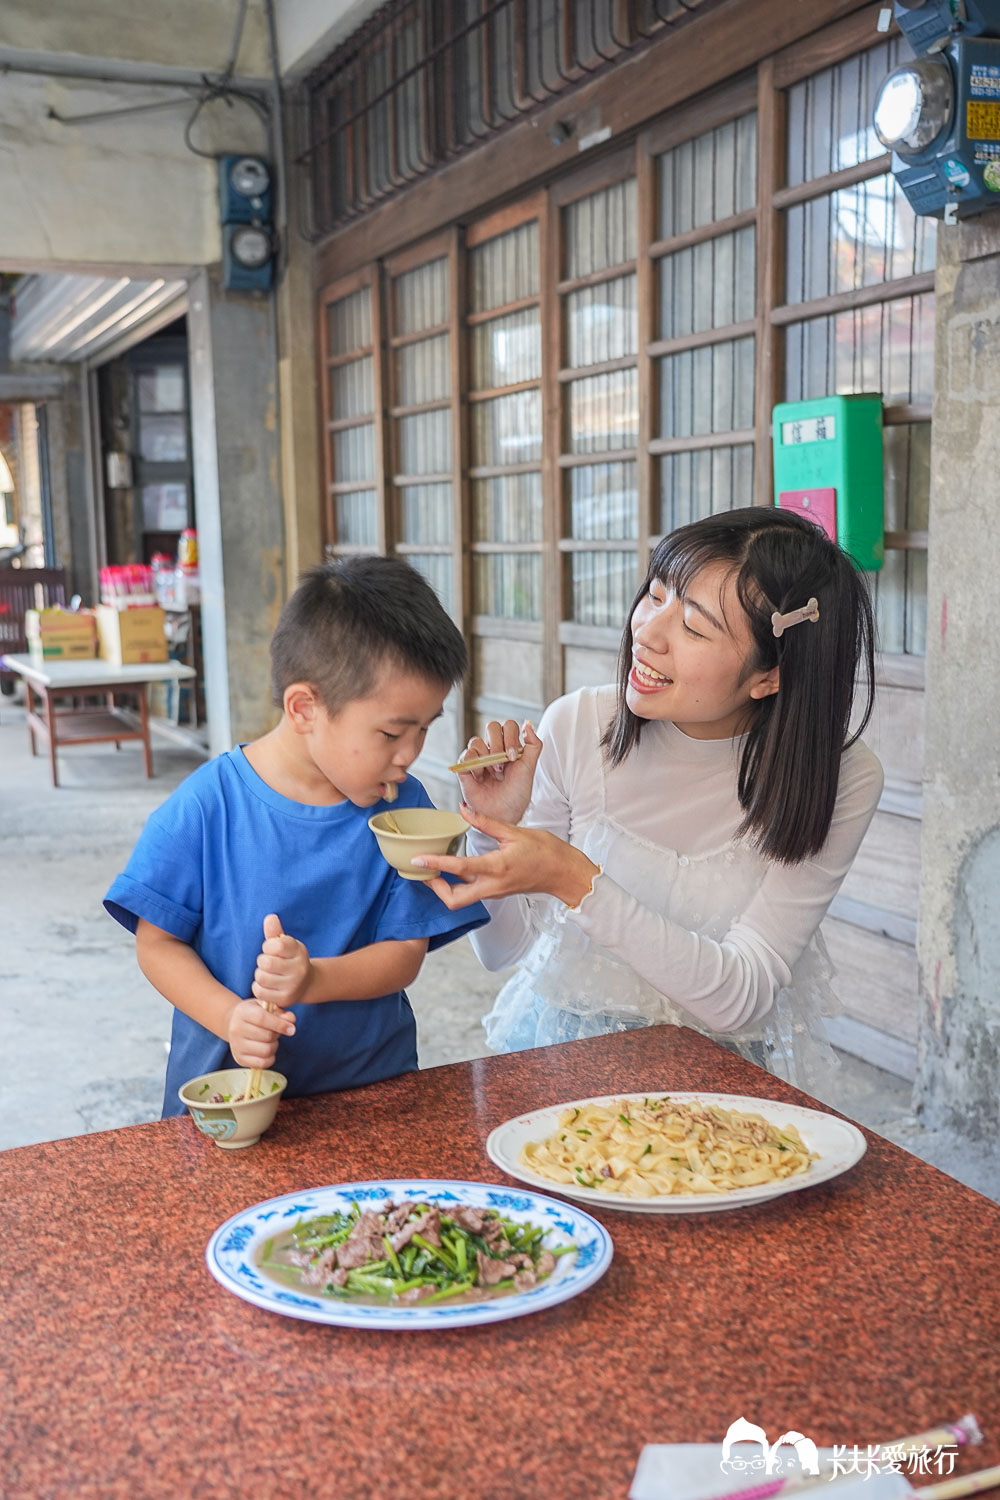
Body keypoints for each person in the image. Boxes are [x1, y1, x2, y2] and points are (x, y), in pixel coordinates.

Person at [414, 506, 883, 1089]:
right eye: (656, 595)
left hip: (726, 1092)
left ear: (770, 675)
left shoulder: (841, 776)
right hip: (569, 1067)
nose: (648, 632)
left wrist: (573, 879)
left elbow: (742, 996)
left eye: (693, 627)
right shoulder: (579, 725)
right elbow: (505, 952)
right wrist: (491, 828)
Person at [104, 557, 488, 1116]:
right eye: (391, 733)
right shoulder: (207, 807)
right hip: (231, 1108)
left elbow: (405, 954)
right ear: (305, 707)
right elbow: (157, 943)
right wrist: (228, 1017)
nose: (410, 755)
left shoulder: (405, 812)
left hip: (370, 1097)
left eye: (425, 729)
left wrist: (312, 978)